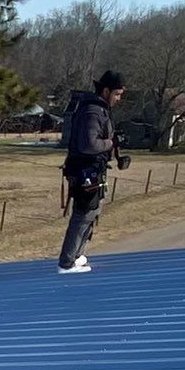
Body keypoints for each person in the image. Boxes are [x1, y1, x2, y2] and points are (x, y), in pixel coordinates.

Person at [58, 70, 128, 271]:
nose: (118, 99)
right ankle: (67, 262)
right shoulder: (93, 112)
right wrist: (111, 142)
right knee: (83, 215)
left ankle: (77, 254)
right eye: (117, 94)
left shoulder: (99, 110)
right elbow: (89, 144)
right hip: (85, 171)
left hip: (92, 170)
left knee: (92, 212)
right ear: (105, 91)